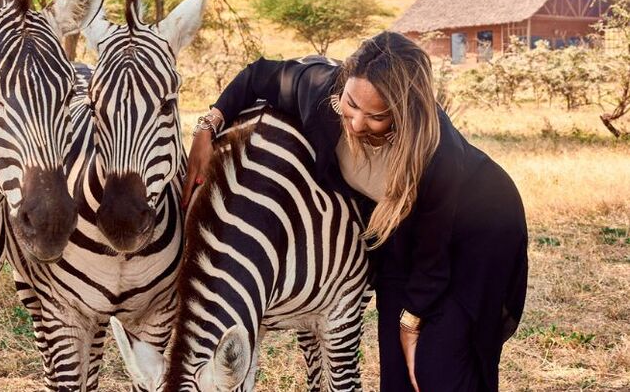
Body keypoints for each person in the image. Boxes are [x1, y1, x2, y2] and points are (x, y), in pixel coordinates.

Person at [182, 31, 528, 392]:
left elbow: (431, 262)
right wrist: (207, 128)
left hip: (481, 229)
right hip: (400, 235)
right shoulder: (320, 91)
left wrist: (411, 326)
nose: (357, 123)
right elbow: (258, 75)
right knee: (397, 379)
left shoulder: (434, 152)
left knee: (440, 368)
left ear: (403, 111)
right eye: (351, 104)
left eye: (376, 116)